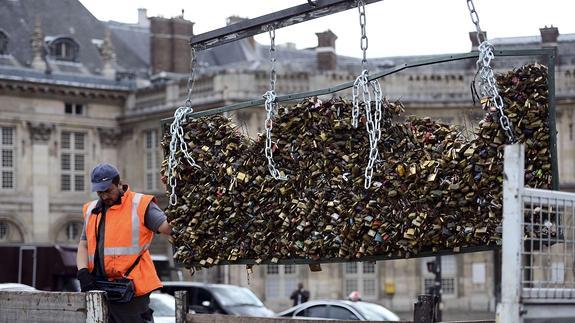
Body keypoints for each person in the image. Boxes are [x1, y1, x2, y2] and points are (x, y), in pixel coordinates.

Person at [76, 163, 172, 323]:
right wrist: (83, 272)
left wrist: (181, 209)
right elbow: (84, 245)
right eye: (100, 192)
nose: (105, 196)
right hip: (99, 287)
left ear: (119, 184)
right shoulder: (91, 209)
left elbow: (166, 227)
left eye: (108, 191)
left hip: (132, 290)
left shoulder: (140, 204)